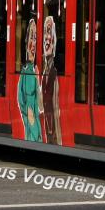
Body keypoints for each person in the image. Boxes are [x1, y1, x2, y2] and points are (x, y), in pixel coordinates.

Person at [17, 16, 43, 142]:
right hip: (31, 122)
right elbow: (21, 100)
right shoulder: (24, 72)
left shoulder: (36, 71)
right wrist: (29, 116)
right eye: (31, 37)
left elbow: (41, 106)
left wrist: (38, 80)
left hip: (36, 122)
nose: (33, 43)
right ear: (26, 43)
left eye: (36, 38)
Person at [40, 15, 62, 145]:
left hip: (53, 133)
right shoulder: (45, 70)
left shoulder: (54, 69)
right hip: (48, 132)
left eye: (50, 34)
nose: (47, 39)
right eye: (45, 34)